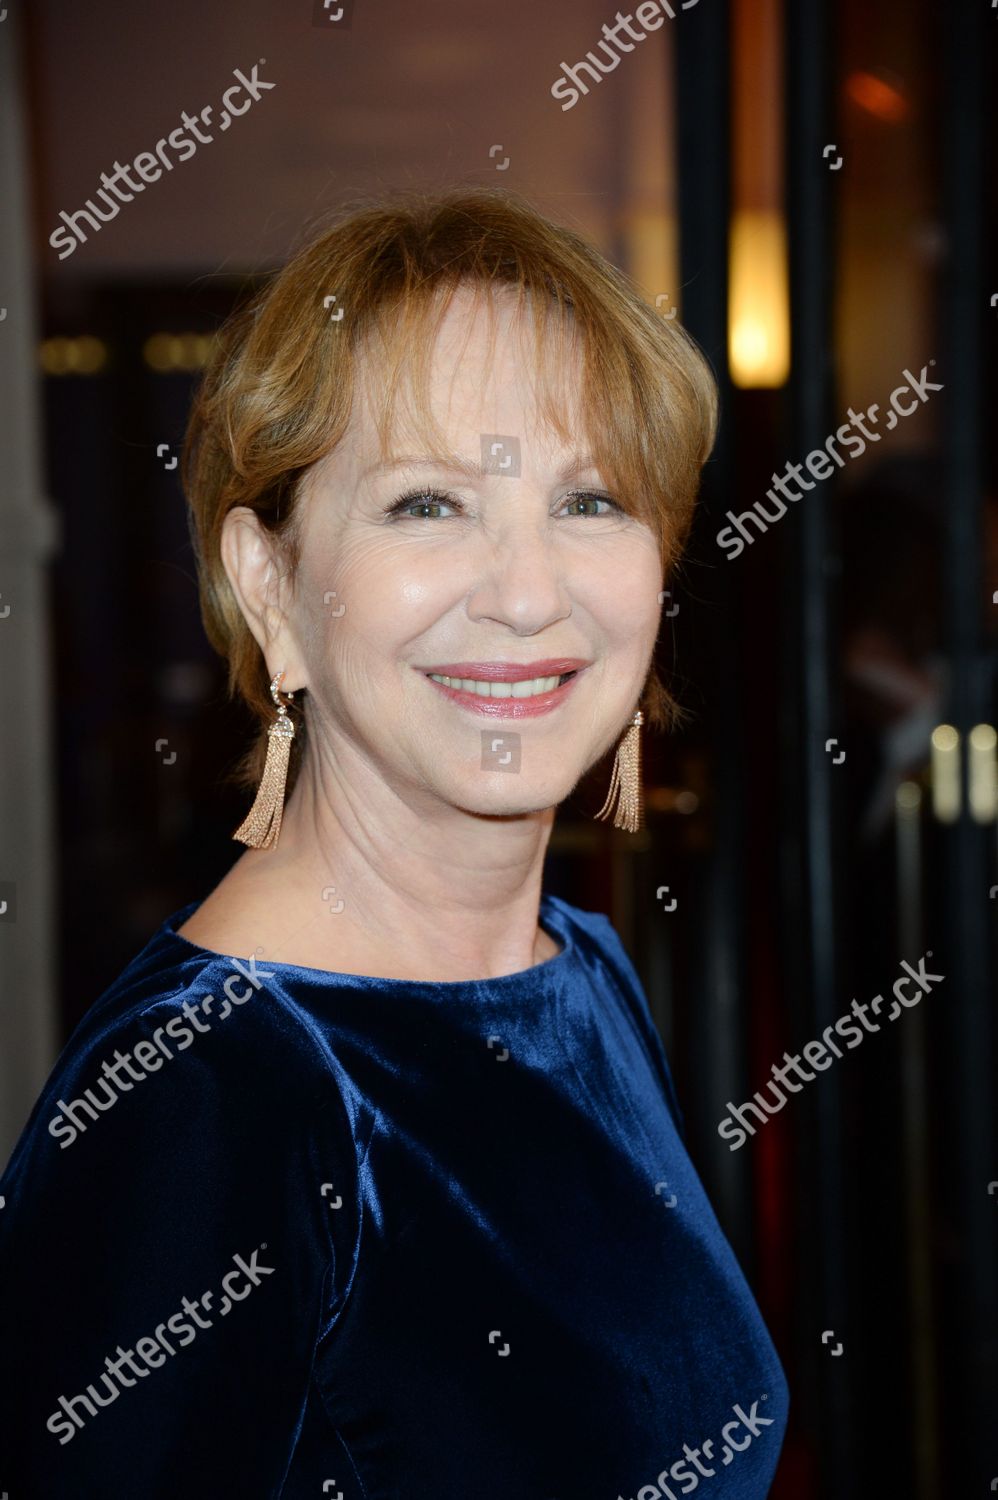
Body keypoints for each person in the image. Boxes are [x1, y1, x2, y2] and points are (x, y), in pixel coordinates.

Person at [0, 187, 788, 1497]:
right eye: (427, 504)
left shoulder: (574, 973)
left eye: (588, 499)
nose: (528, 591)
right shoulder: (207, 1091)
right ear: (270, 583)